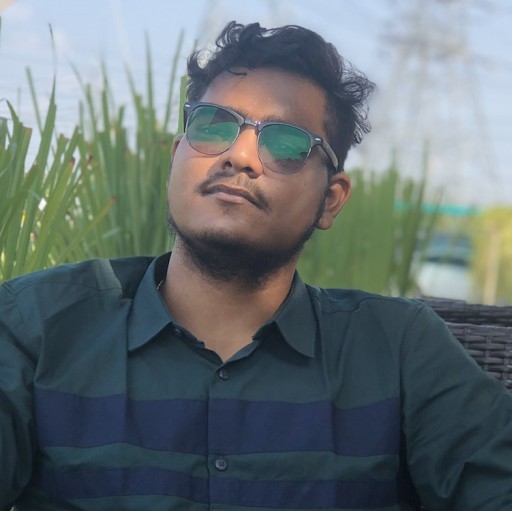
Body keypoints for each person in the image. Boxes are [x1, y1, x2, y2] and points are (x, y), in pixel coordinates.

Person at [1, 20, 511, 511]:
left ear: (331, 200)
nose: (240, 156)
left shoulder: (398, 351)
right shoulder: (39, 327)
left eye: (285, 144)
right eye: (213, 126)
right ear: (177, 156)